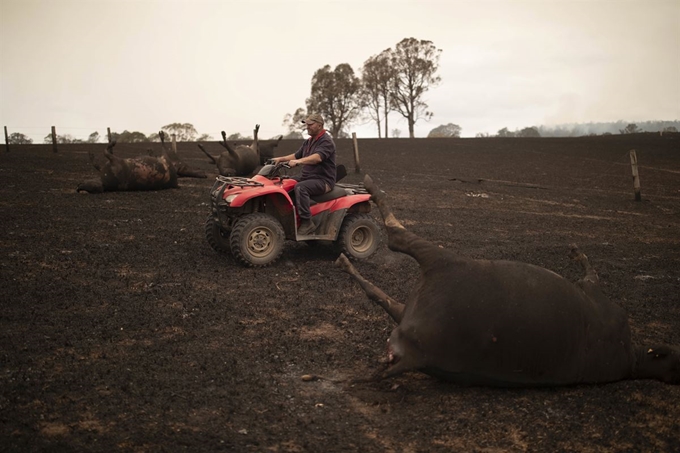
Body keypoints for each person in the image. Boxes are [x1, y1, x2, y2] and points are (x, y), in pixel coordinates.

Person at [271, 113, 336, 235]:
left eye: (310, 124)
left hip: (323, 180)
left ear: (319, 125)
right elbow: (296, 155)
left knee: (301, 188)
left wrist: (298, 162)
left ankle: (307, 222)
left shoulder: (326, 141)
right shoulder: (309, 142)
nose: (307, 127)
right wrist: (280, 159)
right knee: (285, 184)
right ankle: (289, 217)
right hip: (307, 177)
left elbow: (317, 158)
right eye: (306, 124)